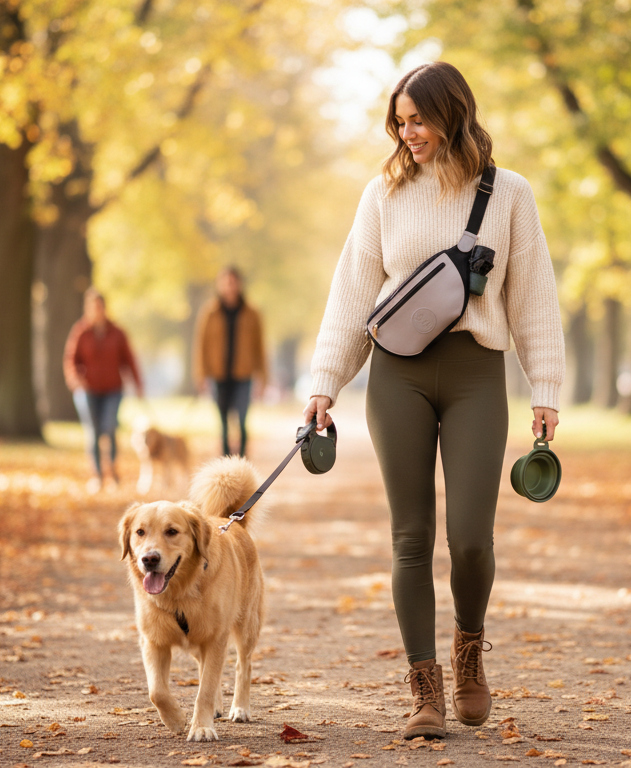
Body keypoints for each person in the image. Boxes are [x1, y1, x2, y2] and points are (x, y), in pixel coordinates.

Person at [303, 62, 565, 739]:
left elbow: (532, 294)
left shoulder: (509, 193)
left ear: (453, 113)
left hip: (479, 372)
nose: (406, 132)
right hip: (398, 376)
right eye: (399, 121)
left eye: (417, 119)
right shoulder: (383, 193)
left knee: (471, 539)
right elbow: (353, 294)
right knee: (411, 537)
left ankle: (469, 651)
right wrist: (324, 385)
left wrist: (547, 388)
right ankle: (425, 688)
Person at [64, 288, 144, 492]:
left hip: (112, 390)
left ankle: (113, 471)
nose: (96, 310)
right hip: (88, 390)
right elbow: (71, 360)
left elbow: (129, 360)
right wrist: (75, 379)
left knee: (109, 428)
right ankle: (98, 475)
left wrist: (138, 384)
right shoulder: (81, 332)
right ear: (87, 308)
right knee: (94, 431)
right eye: (92, 307)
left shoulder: (117, 332)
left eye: (99, 306)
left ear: (104, 308)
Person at [194, 267, 267, 457]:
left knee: (242, 421)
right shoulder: (210, 313)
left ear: (240, 284)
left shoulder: (251, 313)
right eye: (226, 282)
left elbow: (260, 347)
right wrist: (201, 375)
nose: (230, 286)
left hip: (243, 375)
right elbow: (201, 346)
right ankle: (225, 459)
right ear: (220, 285)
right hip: (219, 375)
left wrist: (262, 377)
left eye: (233, 282)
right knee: (223, 423)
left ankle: (242, 459)